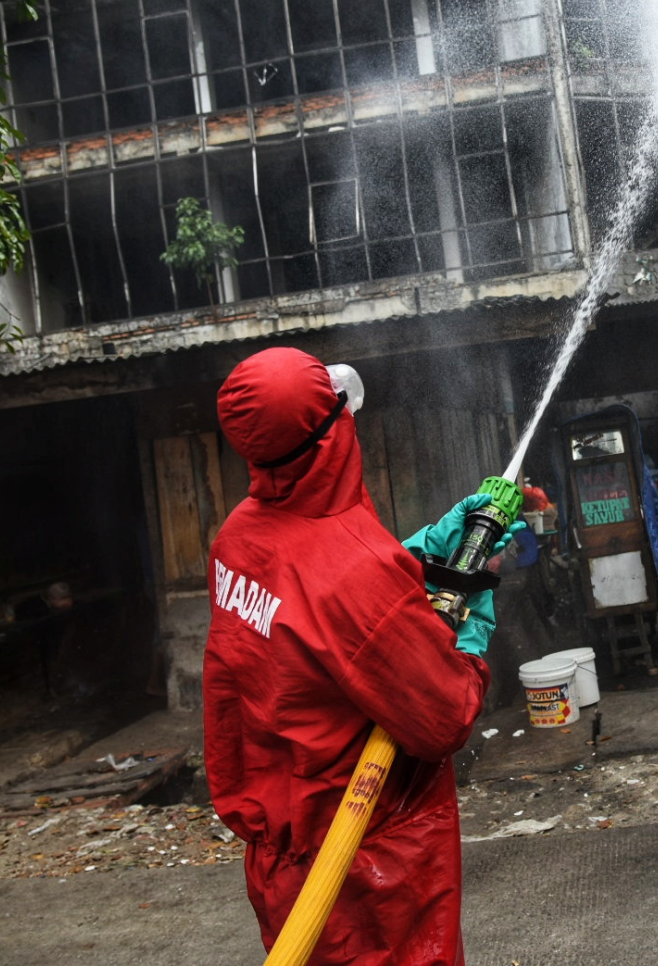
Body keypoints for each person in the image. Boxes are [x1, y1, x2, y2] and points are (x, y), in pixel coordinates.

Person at [203, 347, 518, 965]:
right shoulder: (351, 574)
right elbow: (446, 714)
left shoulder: (238, 536)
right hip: (369, 866)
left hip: (283, 854)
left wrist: (413, 555)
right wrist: (472, 612)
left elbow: (316, 617)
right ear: (330, 437)